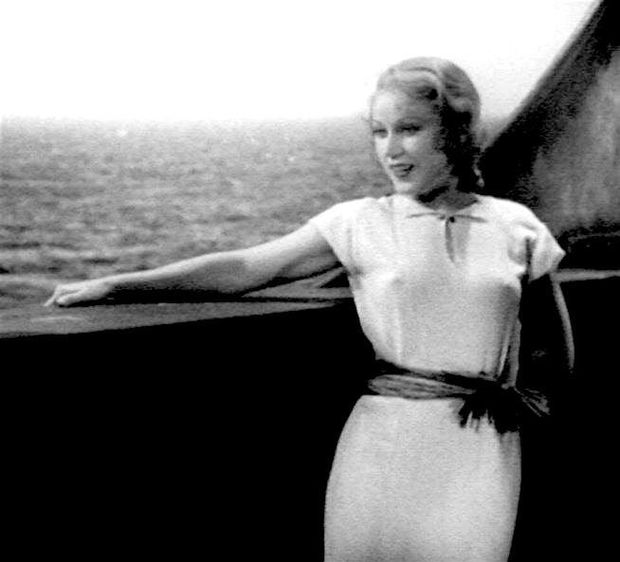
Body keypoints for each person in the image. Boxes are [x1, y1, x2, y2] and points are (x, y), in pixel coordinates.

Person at [46, 57, 574, 561]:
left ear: (456, 132)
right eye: (379, 132)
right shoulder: (359, 223)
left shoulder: (517, 227)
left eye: (409, 129)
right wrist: (118, 284)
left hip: (482, 444)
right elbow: (246, 268)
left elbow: (554, 349)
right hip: (385, 440)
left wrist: (527, 404)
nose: (391, 150)